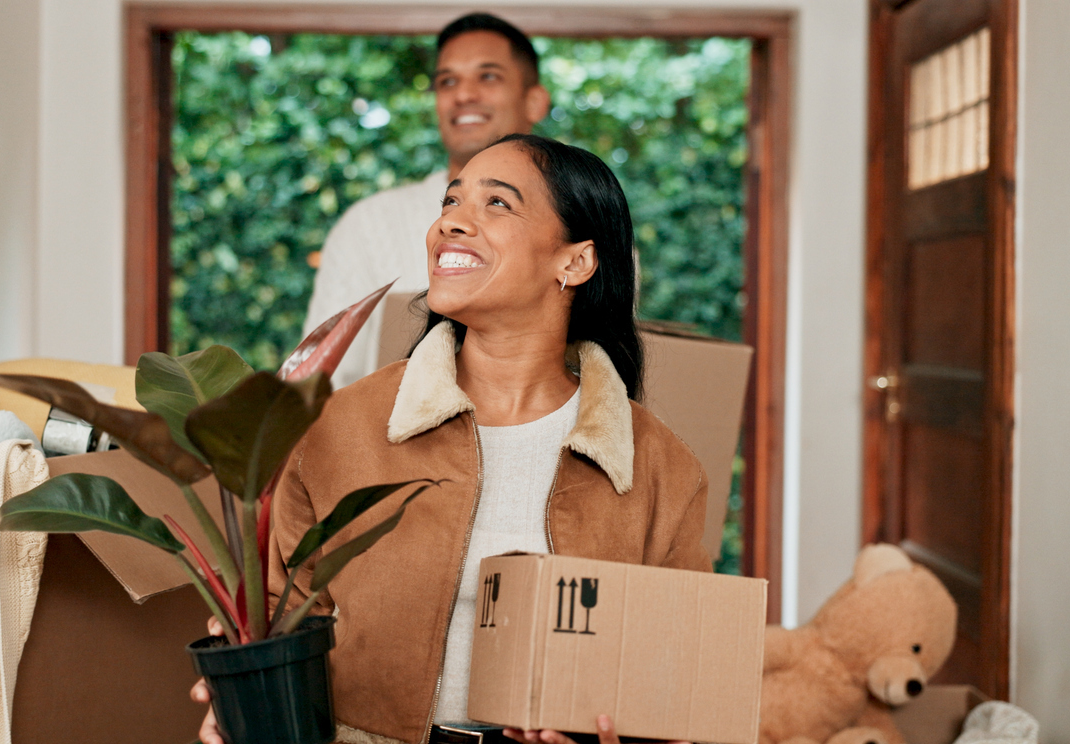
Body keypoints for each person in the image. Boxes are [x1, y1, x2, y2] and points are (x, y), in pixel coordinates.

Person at [195, 135, 709, 744]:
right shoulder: (341, 426)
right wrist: (241, 694)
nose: (451, 224)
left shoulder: (658, 466)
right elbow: (281, 608)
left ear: (574, 262)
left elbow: (674, 677)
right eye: (451, 201)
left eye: (497, 204)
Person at [302, 13, 552, 388]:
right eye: (447, 81)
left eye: (488, 76)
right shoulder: (368, 225)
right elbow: (317, 383)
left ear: (534, 101)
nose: (463, 94)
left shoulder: (582, 227)